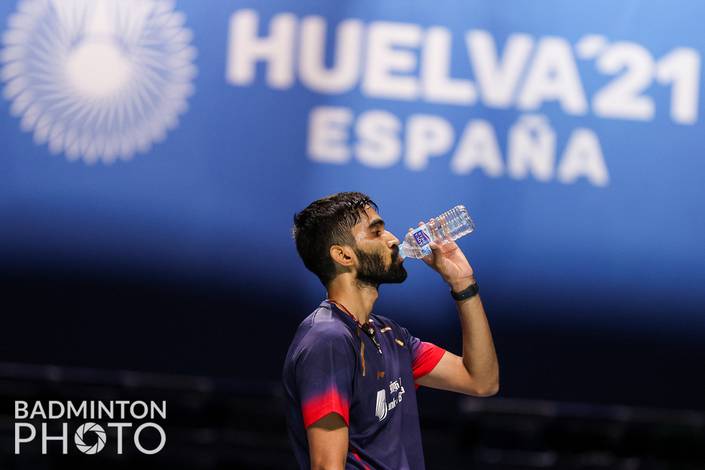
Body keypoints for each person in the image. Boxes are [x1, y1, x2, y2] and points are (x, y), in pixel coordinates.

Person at [283, 192, 499, 470]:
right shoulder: (327, 340)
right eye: (376, 232)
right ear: (343, 255)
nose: (393, 239)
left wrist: (463, 283)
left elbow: (481, 380)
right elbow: (327, 466)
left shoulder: (389, 334)